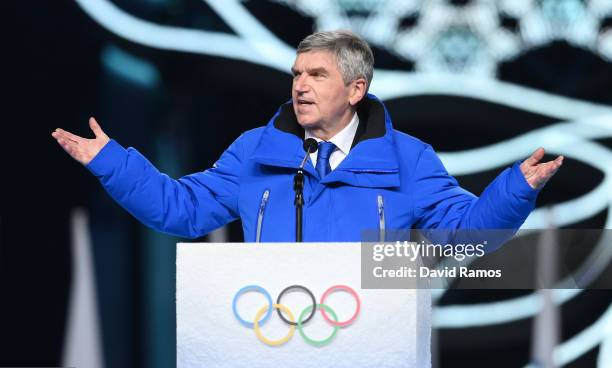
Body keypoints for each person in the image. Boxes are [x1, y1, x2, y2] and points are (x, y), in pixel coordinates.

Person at [51, 30, 563, 242]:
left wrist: (516, 189)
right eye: (296, 75)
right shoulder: (257, 149)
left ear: (356, 89)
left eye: (317, 75)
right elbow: (183, 210)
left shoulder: (409, 159)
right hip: (270, 346)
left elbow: (465, 236)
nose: (300, 86)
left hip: (371, 356)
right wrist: (112, 163)